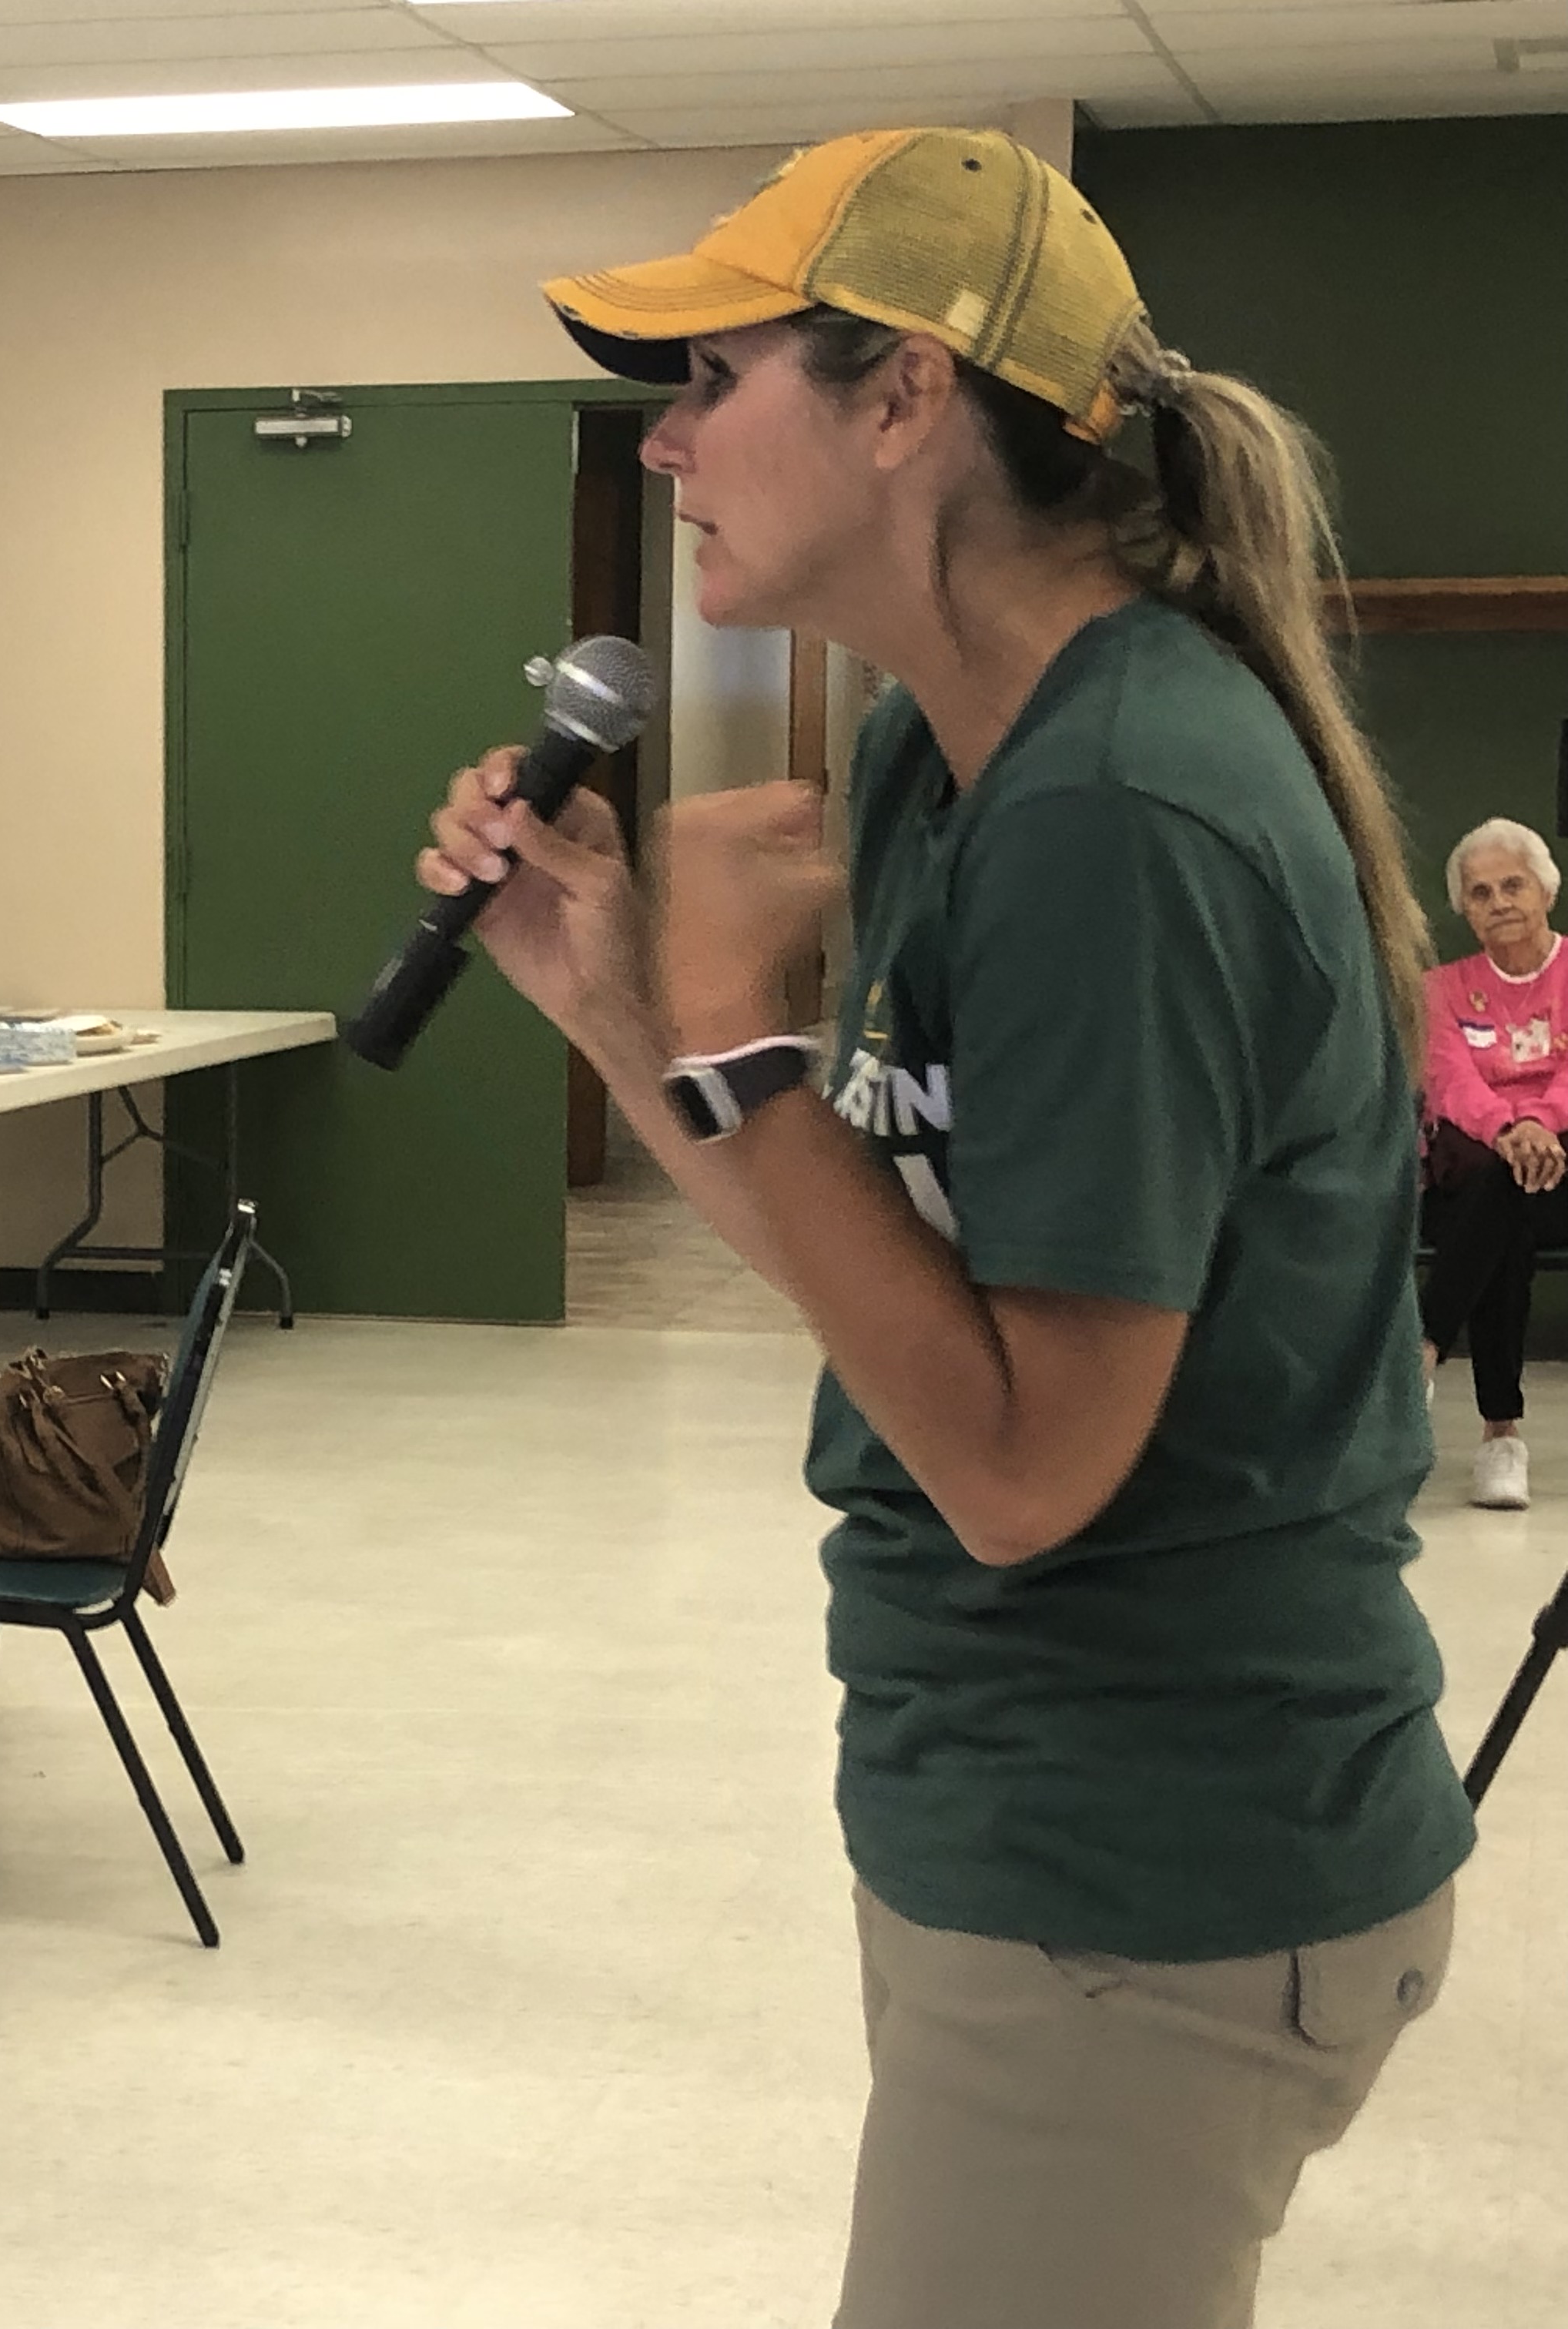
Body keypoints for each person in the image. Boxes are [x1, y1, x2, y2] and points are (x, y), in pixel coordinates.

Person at [423, 128, 1467, 2327]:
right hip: (1004, 1796)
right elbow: (877, 1267)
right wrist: (624, 1008)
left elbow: (1018, 1463)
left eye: (712, 380)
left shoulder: (1119, 806)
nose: (672, 441)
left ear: (906, 399)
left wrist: (732, 1022)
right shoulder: (942, 754)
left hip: (1154, 1855)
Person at [1419, 816, 1568, 1508]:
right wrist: (1511, 1128)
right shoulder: (1441, 988)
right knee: (1497, 1187)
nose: (1499, 901)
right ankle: (1500, 1437)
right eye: (1480, 893)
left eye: (1513, 885)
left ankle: (1424, 1353)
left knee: (1500, 1196)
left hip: (1565, 1160)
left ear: (1546, 891)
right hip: (1481, 1160)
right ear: (1466, 912)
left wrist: (1542, 1120)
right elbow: (1449, 1080)